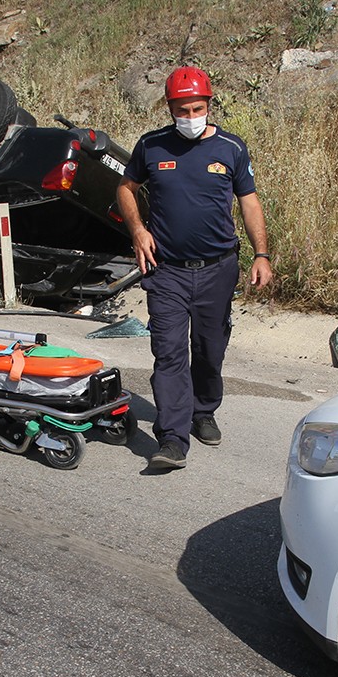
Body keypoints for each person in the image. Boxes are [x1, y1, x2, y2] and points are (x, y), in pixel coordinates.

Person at [115, 66, 273, 471]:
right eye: (182, 110)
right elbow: (125, 188)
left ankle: (203, 411)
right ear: (170, 109)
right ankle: (171, 439)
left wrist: (261, 254)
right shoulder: (151, 146)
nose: (190, 117)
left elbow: (249, 202)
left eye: (197, 109)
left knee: (208, 349)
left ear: (209, 104)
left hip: (218, 269)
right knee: (168, 352)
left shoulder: (231, 148)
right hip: (166, 269)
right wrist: (138, 230)